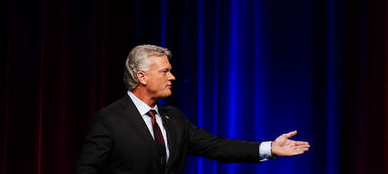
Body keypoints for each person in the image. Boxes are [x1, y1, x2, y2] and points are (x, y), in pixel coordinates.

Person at [76, 44, 310, 174]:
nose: (172, 77)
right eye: (165, 72)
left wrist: (269, 148)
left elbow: (217, 147)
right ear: (142, 77)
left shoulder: (173, 118)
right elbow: (88, 169)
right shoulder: (111, 119)